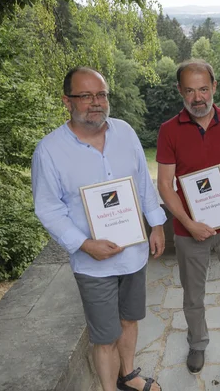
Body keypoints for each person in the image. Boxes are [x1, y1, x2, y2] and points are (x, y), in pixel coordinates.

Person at [32, 67, 166, 391]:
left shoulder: (125, 132)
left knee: (130, 319)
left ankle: (129, 374)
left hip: (133, 254)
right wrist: (84, 244)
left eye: (101, 94)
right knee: (104, 335)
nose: (96, 102)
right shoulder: (49, 152)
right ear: (67, 101)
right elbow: (48, 209)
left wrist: (157, 224)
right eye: (86, 95)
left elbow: (142, 183)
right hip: (93, 264)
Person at [156, 59, 220, 375]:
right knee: (193, 294)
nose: (198, 97)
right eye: (190, 90)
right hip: (189, 230)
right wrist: (189, 224)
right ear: (180, 91)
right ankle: (198, 344)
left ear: (214, 87)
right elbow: (165, 184)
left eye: (203, 88)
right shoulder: (168, 131)